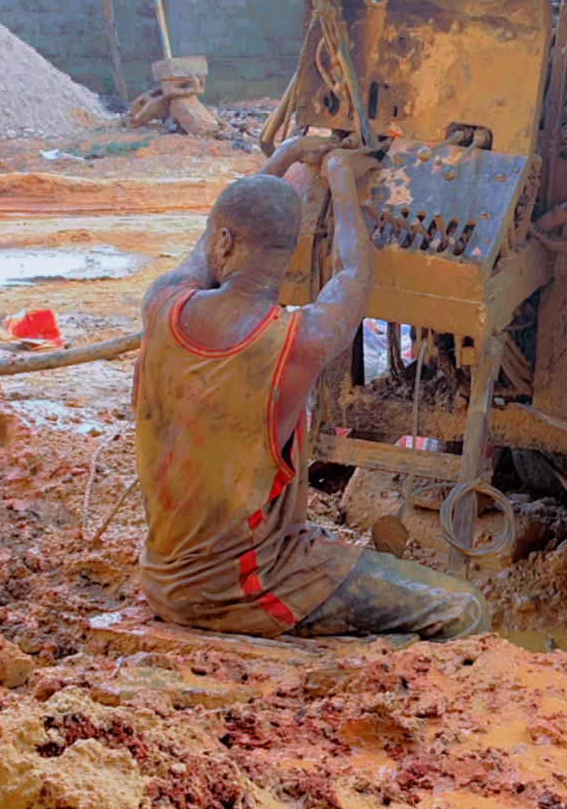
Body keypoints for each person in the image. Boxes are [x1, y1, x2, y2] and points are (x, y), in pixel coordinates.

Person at [133, 137, 487, 641]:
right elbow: (353, 273)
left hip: (163, 582)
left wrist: (287, 157)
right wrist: (342, 180)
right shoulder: (297, 343)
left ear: (227, 242)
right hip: (246, 592)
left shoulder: (161, 305)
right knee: (465, 609)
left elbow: (204, 246)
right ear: (290, 248)